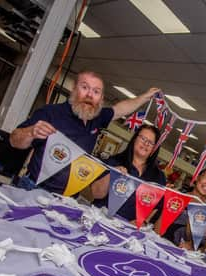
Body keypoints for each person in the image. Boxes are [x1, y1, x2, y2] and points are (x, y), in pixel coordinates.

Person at [9, 70, 158, 194]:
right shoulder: (51, 113)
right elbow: (14, 140)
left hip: (67, 198)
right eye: (85, 87)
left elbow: (120, 109)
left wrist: (144, 97)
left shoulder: (97, 118)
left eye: (96, 91)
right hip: (33, 188)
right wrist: (30, 132)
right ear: (74, 89)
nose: (89, 95)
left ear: (101, 98)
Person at [90, 124, 166, 221]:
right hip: (100, 218)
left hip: (128, 229)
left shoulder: (159, 176)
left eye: (151, 142)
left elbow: (156, 207)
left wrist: (143, 222)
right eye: (143, 138)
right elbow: (95, 193)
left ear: (154, 148)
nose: (146, 144)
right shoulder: (114, 161)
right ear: (135, 139)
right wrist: (113, 174)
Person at [157, 163, 206, 246]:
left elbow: (200, 246)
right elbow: (156, 231)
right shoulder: (176, 198)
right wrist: (168, 202)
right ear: (198, 177)